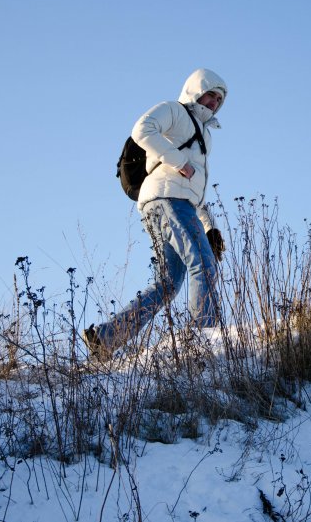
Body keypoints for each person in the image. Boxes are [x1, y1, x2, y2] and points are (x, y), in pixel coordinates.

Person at [84, 68, 228, 359]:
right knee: (203, 262)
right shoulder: (175, 111)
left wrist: (209, 227)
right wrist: (177, 161)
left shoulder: (204, 136)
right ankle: (206, 339)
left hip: (172, 201)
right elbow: (141, 129)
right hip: (166, 199)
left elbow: (193, 190)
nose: (213, 102)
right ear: (195, 90)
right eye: (209, 94)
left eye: (219, 99)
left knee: (167, 284)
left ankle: (106, 337)